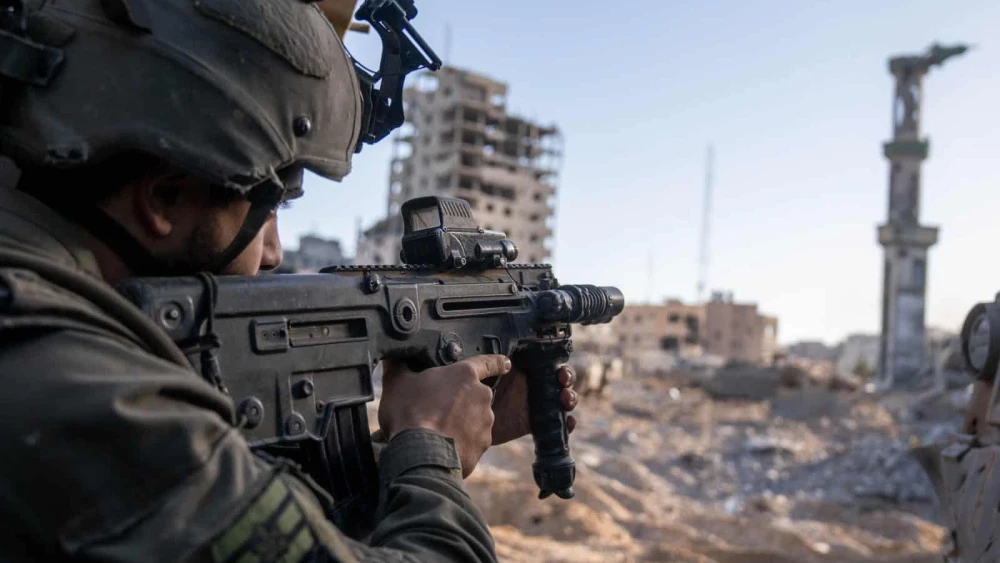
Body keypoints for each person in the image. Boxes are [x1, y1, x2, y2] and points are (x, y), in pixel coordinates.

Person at [0, 0, 577, 561]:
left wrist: (402, 454)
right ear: (165, 197)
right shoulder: (88, 396)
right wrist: (432, 450)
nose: (274, 253)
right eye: (273, 206)